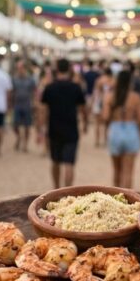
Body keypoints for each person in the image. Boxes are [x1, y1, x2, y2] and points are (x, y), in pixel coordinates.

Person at [40, 59, 87, 187]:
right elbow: (83, 109)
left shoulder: (49, 88)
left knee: (55, 161)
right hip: (71, 128)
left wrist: (41, 128)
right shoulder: (75, 87)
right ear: (69, 69)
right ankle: (67, 192)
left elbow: (43, 110)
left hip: (54, 128)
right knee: (69, 163)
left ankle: (56, 189)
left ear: (57, 69)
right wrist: (85, 123)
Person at [104, 69, 140, 188]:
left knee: (117, 171)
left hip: (115, 130)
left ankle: (116, 200)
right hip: (131, 130)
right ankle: (128, 202)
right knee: (128, 173)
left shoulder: (110, 96)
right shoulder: (136, 97)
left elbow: (105, 116)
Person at [11, 60, 37, 152]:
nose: (20, 70)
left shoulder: (30, 79)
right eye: (19, 68)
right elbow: (12, 91)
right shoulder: (14, 79)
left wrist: (34, 103)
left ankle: (25, 144)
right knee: (15, 125)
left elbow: (34, 92)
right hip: (17, 104)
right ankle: (18, 138)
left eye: (21, 68)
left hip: (27, 104)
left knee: (27, 125)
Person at [91, 68, 113, 147]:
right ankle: (106, 140)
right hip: (108, 102)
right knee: (107, 123)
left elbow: (95, 92)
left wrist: (92, 102)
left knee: (97, 123)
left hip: (99, 102)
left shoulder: (99, 80)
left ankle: (97, 141)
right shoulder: (112, 81)